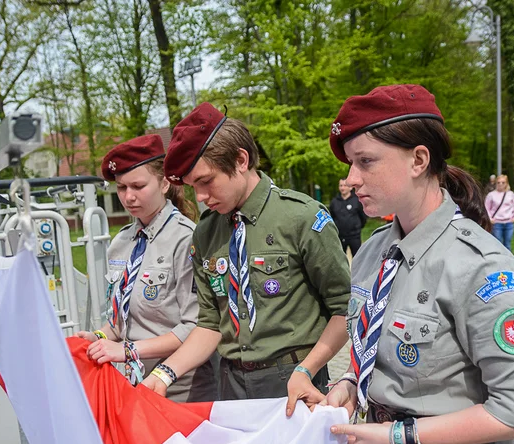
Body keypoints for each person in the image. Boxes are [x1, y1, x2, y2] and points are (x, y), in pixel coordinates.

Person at [321, 84, 514, 444]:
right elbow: (375, 344)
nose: (350, 178)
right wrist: (350, 382)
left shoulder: (480, 268)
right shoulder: (371, 254)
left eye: (365, 161)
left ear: (419, 160)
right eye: (350, 163)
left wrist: (394, 434)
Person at [141, 103, 351, 416]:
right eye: (192, 186)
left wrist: (306, 370)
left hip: (293, 382)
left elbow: (345, 309)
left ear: (241, 160)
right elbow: (211, 324)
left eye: (206, 181)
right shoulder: (206, 233)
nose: (199, 196)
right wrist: (164, 373)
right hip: (231, 385)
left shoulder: (301, 218)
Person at [74, 135, 216, 402]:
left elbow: (196, 326)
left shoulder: (185, 239)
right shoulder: (121, 242)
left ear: (164, 183)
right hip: (134, 386)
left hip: (181, 390)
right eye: (121, 188)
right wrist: (98, 336)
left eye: (138, 186)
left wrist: (127, 351)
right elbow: (121, 321)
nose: (128, 197)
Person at [329, 178, 368, 256]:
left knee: (357, 258)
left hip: (354, 236)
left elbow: (363, 216)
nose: (342, 188)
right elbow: (331, 217)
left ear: (350, 187)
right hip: (340, 236)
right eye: (341, 185)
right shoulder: (334, 201)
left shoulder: (357, 200)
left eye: (345, 185)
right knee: (340, 258)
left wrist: (357, 227)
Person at [484, 174, 514, 250]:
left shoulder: (510, 194)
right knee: (497, 243)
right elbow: (486, 208)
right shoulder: (491, 195)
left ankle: (508, 260)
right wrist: (490, 218)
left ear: (506, 183)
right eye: (499, 182)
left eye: (503, 182)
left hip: (509, 222)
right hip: (497, 223)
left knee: (507, 244)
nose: (500, 184)